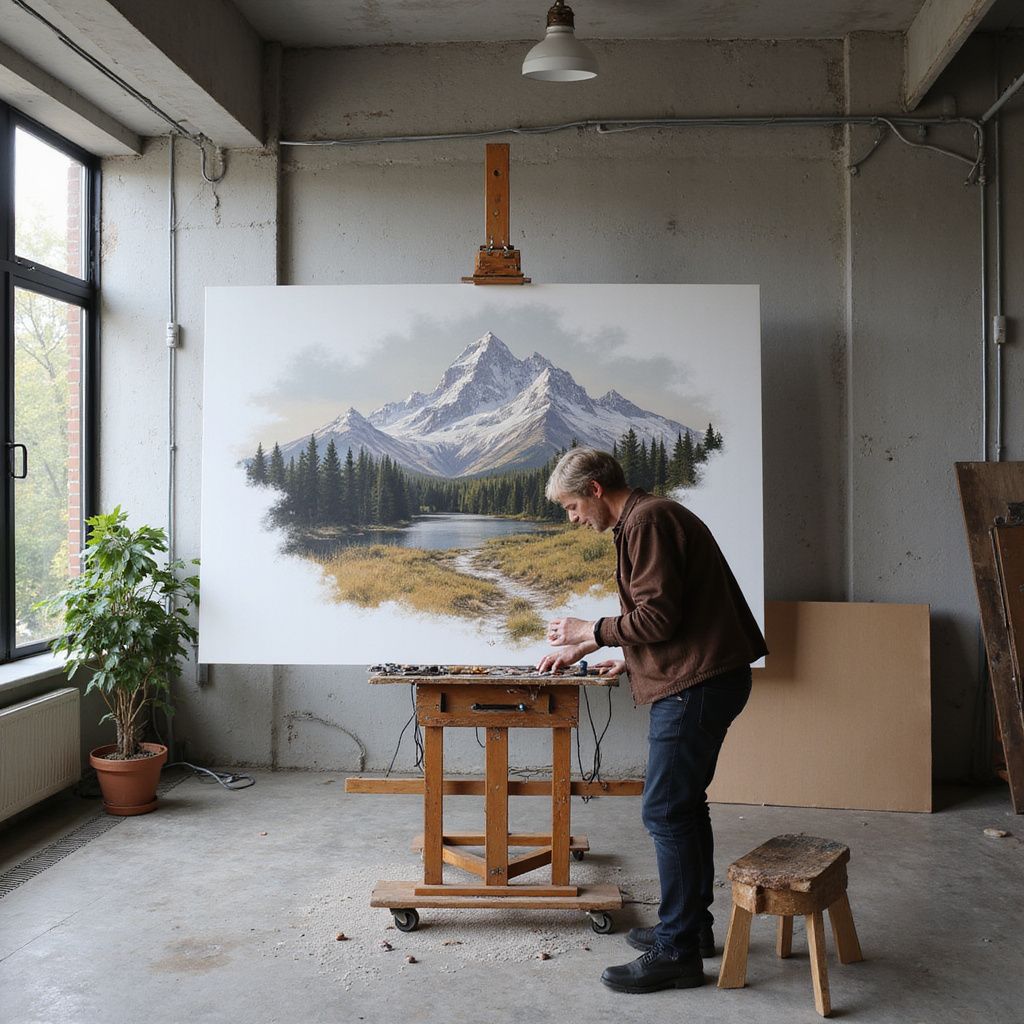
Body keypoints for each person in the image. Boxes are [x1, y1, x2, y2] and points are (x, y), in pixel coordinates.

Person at [537, 446, 767, 994]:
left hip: (697, 687)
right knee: (682, 807)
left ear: (595, 489)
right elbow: (674, 617)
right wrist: (626, 655)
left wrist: (588, 631)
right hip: (700, 677)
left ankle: (678, 952)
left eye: (571, 507)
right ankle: (689, 929)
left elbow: (657, 617)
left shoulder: (649, 521)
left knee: (665, 809)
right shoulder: (648, 519)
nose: (573, 520)